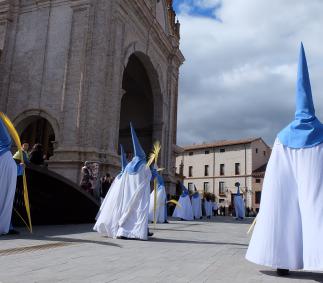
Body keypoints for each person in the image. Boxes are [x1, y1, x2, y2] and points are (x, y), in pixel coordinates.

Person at [246, 43, 323, 276]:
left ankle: (282, 259)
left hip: (287, 153)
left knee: (282, 205)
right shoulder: (320, 132)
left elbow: (273, 182)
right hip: (315, 154)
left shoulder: (281, 137)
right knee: (316, 207)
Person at [94, 124, 152, 240]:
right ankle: (138, 231)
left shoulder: (129, 166)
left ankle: (122, 232)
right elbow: (148, 178)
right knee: (136, 214)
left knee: (125, 213)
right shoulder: (144, 166)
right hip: (138, 195)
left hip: (126, 197)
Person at [0, 114, 24, 235]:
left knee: (7, 198)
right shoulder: (5, 145)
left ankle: (7, 226)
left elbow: (14, 170)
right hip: (3, 156)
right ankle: (6, 226)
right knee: (5, 197)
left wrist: (20, 169)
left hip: (7, 163)